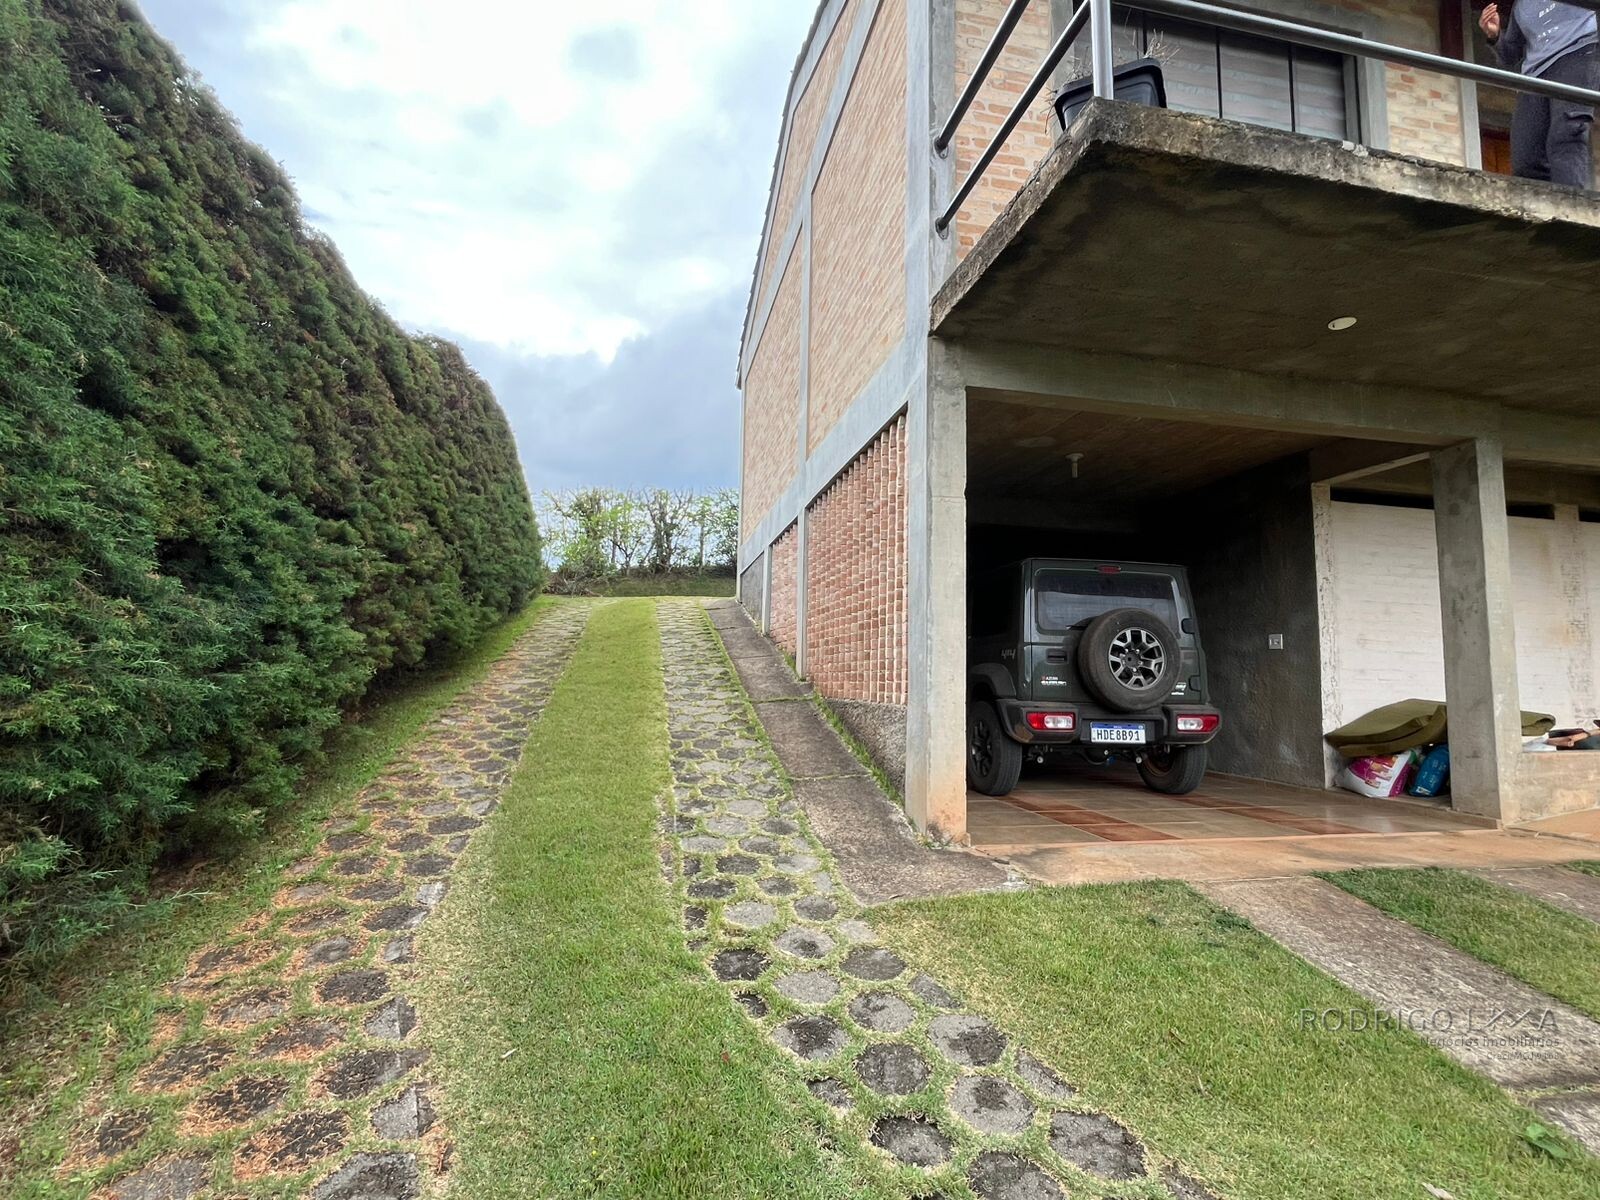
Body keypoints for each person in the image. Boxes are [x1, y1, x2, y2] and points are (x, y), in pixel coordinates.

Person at [1479, 1, 1599, 188]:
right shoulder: (1521, 5)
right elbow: (1510, 54)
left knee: (1566, 134)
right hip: (1535, 74)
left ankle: (1570, 204)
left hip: (1578, 53)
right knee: (1526, 157)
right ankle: (1538, 210)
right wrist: (1495, 35)